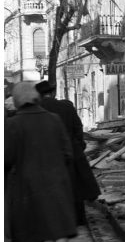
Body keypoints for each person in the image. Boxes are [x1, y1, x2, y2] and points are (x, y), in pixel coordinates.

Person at [5, 82, 77, 242]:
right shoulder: (54, 119)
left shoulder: (14, 123)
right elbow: (67, 152)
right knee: (58, 222)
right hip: (56, 178)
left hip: (26, 180)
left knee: (26, 222)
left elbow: (8, 156)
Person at [36, 81, 100, 225]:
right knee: (75, 187)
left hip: (47, 154)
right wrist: (78, 146)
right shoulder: (66, 106)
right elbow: (78, 127)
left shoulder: (37, 109)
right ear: (53, 92)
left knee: (52, 189)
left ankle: (56, 220)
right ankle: (78, 219)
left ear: (39, 95)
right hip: (71, 151)